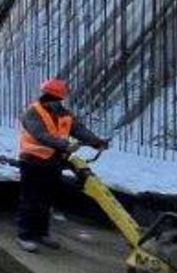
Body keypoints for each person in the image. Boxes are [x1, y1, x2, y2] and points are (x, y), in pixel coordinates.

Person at [16, 78, 110, 252]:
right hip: (32, 161)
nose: (56, 101)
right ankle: (25, 235)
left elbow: (79, 130)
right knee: (31, 199)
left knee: (46, 200)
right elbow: (40, 135)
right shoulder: (33, 112)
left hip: (52, 163)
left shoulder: (64, 114)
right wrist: (64, 145)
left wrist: (96, 142)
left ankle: (42, 233)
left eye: (57, 99)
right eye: (53, 98)